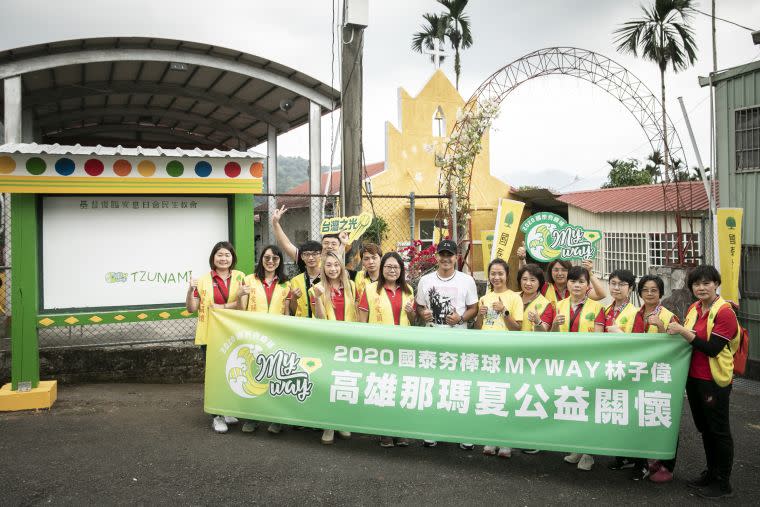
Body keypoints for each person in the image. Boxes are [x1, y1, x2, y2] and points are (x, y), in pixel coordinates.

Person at [667, 265, 741, 499]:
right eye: (697, 284)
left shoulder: (725, 312)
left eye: (706, 283)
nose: (701, 287)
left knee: (719, 431)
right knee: (705, 429)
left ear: (716, 284)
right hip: (694, 378)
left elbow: (712, 348)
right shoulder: (694, 308)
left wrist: (681, 331)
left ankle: (723, 482)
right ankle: (711, 473)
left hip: (714, 380)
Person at [416, 239, 479, 449]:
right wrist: (423, 314)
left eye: (449, 255)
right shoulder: (425, 281)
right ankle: (431, 431)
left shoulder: (466, 280)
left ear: (456, 257)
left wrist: (460, 319)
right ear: (437, 257)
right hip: (432, 340)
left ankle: (464, 433)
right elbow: (420, 307)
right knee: (433, 386)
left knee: (459, 386)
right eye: (442, 254)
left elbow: (474, 307)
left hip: (459, 342)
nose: (445, 258)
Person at [539, 265, 602, 471]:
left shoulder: (597, 308)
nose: (577, 285)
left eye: (581, 282)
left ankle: (589, 452)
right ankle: (577, 446)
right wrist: (555, 324)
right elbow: (545, 334)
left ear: (587, 286)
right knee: (573, 404)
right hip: (565, 363)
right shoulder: (557, 305)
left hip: (588, 364)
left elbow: (601, 338)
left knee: (589, 405)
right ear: (567, 283)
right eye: (573, 281)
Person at [186, 241, 245, 434]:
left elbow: (243, 306)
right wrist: (189, 290)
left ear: (232, 258)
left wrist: (223, 308)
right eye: (219, 255)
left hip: (233, 333)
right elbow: (192, 308)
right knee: (214, 375)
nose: (223, 258)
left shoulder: (240, 277)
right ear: (213, 258)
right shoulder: (202, 280)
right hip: (210, 333)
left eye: (227, 255)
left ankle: (226, 410)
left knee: (231, 371)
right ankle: (217, 416)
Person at [357, 251, 415, 448]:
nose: (392, 270)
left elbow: (413, 321)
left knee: (401, 389)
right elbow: (362, 322)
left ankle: (400, 431)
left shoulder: (409, 291)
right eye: (388, 267)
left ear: (401, 270)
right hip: (380, 349)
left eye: (396, 267)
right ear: (382, 269)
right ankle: (384, 432)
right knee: (383, 388)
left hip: (403, 349)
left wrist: (412, 313)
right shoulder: (371, 289)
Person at [627, 274, 679, 483]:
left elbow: (675, 347)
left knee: (663, 416)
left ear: (660, 293)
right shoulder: (635, 314)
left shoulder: (668, 316)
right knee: (638, 417)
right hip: (638, 374)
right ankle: (641, 464)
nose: (649, 294)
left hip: (660, 376)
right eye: (645, 290)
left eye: (654, 290)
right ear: (639, 293)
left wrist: (659, 326)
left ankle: (666, 463)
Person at [240, 245, 292, 435]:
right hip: (253, 335)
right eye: (267, 257)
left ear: (280, 261)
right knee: (253, 375)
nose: (271, 262)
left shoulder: (286, 284)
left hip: (276, 336)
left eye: (275, 258)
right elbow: (241, 309)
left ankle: (276, 419)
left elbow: (288, 312)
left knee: (274, 377)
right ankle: (252, 417)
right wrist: (240, 296)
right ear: (261, 258)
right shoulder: (248, 280)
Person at [309, 251, 357, 444]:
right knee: (329, 383)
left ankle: (342, 421)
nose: (333, 269)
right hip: (327, 342)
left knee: (345, 381)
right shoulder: (317, 287)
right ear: (323, 267)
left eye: (336, 265)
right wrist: (319, 297)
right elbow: (319, 318)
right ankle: (328, 425)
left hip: (348, 341)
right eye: (328, 265)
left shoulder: (352, 286)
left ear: (342, 266)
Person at [516, 242, 606, 303]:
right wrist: (522, 259)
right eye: (556, 270)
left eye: (564, 270)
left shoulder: (576, 288)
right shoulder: (544, 287)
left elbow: (601, 295)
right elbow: (526, 274)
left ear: (569, 271)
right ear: (550, 272)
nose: (559, 273)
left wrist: (590, 273)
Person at [474, 258, 523, 333]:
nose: (496, 277)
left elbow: (517, 329)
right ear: (489, 275)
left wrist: (503, 310)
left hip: (504, 343)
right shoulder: (483, 299)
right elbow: (477, 329)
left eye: (500, 274)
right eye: (493, 274)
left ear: (507, 275)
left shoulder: (515, 298)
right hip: (485, 342)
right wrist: (479, 315)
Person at [594, 269, 638, 334]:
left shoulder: (636, 313)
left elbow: (638, 341)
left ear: (630, 288)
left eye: (622, 284)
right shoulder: (604, 310)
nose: (616, 288)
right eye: (613, 283)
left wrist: (619, 333)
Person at [289, 240, 322, 318]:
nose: (311, 258)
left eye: (314, 254)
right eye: (306, 254)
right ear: (302, 257)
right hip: (303, 325)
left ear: (321, 255)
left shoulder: (327, 278)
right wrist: (294, 298)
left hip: (324, 324)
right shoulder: (295, 281)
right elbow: (293, 311)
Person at [518, 264, 552, 332]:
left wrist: (538, 322)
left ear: (540, 283)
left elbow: (543, 332)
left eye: (532, 280)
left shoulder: (546, 305)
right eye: (524, 279)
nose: (528, 283)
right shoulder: (513, 297)